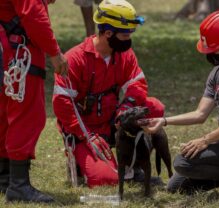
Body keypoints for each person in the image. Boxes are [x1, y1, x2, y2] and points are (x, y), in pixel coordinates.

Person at [141, 11, 219, 199]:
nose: (209, 53)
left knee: (183, 162)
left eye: (214, 48)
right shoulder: (217, 73)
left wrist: (206, 140)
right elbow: (200, 113)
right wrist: (164, 121)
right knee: (176, 186)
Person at [52, 0, 165, 188]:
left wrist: (126, 110)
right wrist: (85, 135)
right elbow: (62, 104)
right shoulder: (75, 58)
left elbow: (137, 85)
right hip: (84, 130)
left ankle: (133, 166)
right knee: (106, 180)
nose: (129, 38)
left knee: (154, 108)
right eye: (125, 34)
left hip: (112, 120)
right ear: (107, 33)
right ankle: (82, 161)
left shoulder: (125, 54)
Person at [0, 0, 68, 203]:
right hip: (19, 52)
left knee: (4, 114)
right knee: (27, 116)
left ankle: (5, 178)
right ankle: (18, 185)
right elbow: (34, 16)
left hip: (6, 50)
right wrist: (54, 53)